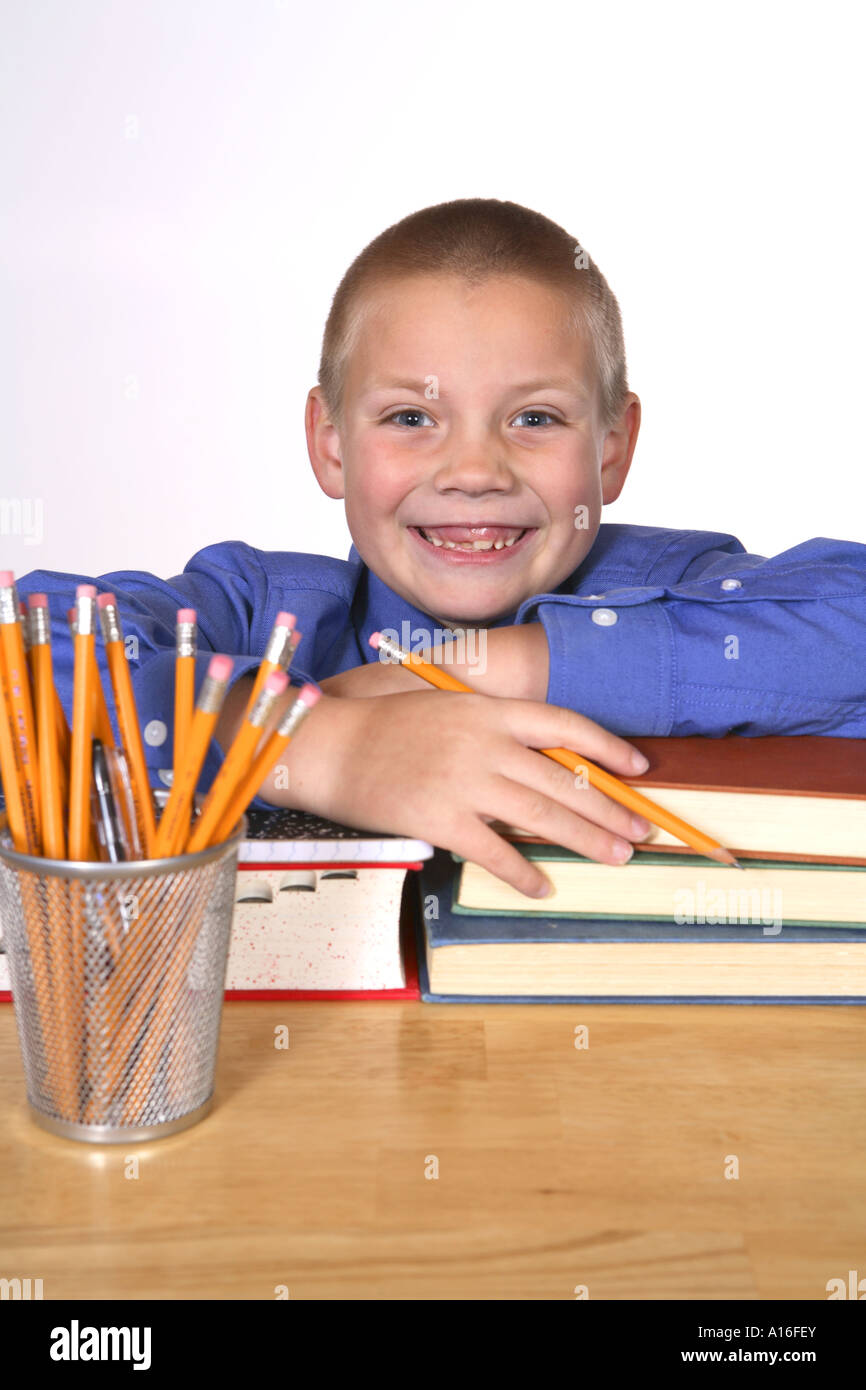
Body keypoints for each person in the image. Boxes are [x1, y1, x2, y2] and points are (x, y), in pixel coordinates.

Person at [16, 199, 866, 899]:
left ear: (611, 446)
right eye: (410, 418)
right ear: (332, 444)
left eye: (534, 419)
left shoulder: (670, 588)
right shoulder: (256, 609)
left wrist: (498, 665)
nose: (472, 470)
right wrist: (318, 748)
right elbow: (27, 651)